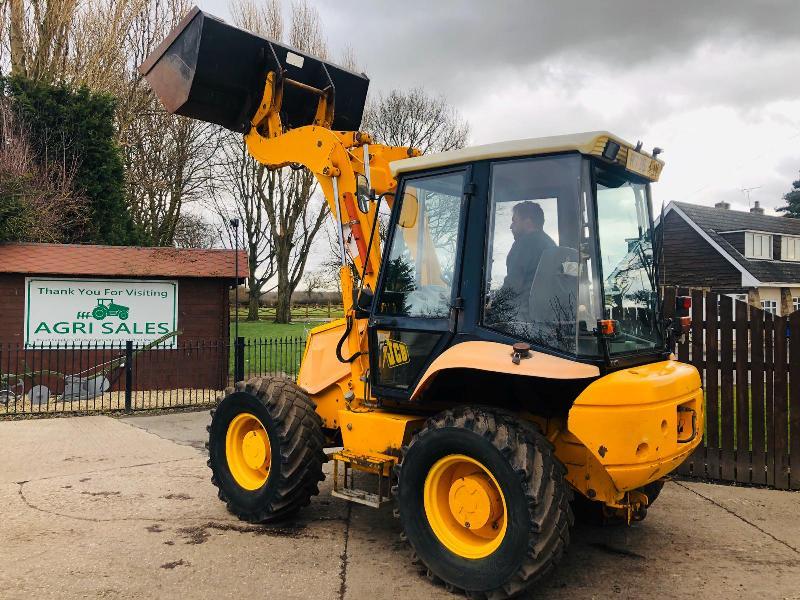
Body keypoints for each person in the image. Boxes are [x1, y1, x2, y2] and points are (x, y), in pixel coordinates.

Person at [501, 201, 556, 320]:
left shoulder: (524, 244)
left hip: (521, 318)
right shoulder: (550, 245)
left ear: (528, 223)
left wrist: (493, 307)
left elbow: (512, 286)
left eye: (514, 221)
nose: (511, 226)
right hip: (544, 317)